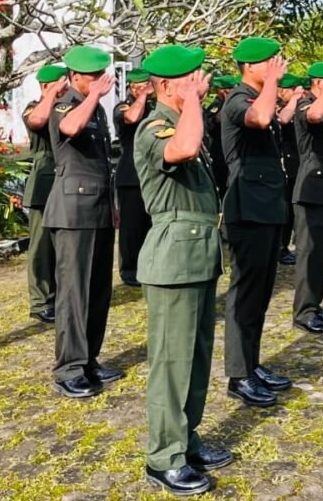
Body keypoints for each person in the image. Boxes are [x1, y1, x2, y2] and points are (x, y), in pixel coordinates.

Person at [134, 45, 232, 497]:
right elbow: (185, 148)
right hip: (173, 258)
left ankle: (186, 439)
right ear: (170, 85)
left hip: (198, 255)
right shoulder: (155, 126)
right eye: (193, 79)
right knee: (171, 364)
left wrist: (190, 101)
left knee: (195, 361)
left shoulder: (178, 119)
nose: (203, 84)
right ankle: (163, 458)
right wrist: (191, 99)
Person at [43, 45, 122, 399]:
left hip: (99, 208)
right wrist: (92, 98)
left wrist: (114, 205)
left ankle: (89, 358)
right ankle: (68, 368)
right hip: (73, 212)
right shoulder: (67, 103)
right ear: (75, 77)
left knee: (98, 290)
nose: (101, 82)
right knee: (74, 293)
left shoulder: (97, 112)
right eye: (93, 77)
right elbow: (70, 128)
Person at [221, 37, 291, 408]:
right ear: (251, 67)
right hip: (246, 210)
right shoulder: (237, 100)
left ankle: (252, 363)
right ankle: (238, 375)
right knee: (245, 294)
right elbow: (262, 118)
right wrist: (275, 85)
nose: (277, 67)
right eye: (271, 63)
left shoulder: (256, 96)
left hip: (265, 208)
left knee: (260, 295)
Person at [291, 62, 323, 334]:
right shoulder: (306, 103)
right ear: (318, 83)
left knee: (322, 254)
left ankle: (315, 304)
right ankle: (303, 311)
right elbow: (314, 116)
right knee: (309, 254)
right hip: (310, 190)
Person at [22, 64, 70, 324]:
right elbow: (37, 121)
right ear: (45, 86)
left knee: (63, 245)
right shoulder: (35, 105)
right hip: (44, 182)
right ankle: (41, 301)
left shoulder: (68, 107)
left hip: (67, 180)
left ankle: (61, 295)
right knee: (41, 247)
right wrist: (51, 95)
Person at [114, 69, 154, 287]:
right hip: (131, 174)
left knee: (149, 223)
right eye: (141, 86)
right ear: (132, 87)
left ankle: (147, 265)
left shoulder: (152, 108)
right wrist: (143, 96)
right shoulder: (123, 106)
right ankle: (129, 270)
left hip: (151, 172)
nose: (146, 90)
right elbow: (131, 118)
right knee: (131, 226)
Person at [275, 74, 304, 266]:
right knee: (283, 209)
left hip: (295, 162)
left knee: (291, 210)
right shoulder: (276, 105)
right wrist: (293, 100)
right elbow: (283, 120)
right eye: (292, 90)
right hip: (282, 163)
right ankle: (280, 247)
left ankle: (285, 245)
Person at [202, 75, 236, 200]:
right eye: (224, 89)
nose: (228, 91)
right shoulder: (216, 105)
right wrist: (227, 101)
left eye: (231, 88)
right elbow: (218, 119)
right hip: (218, 149)